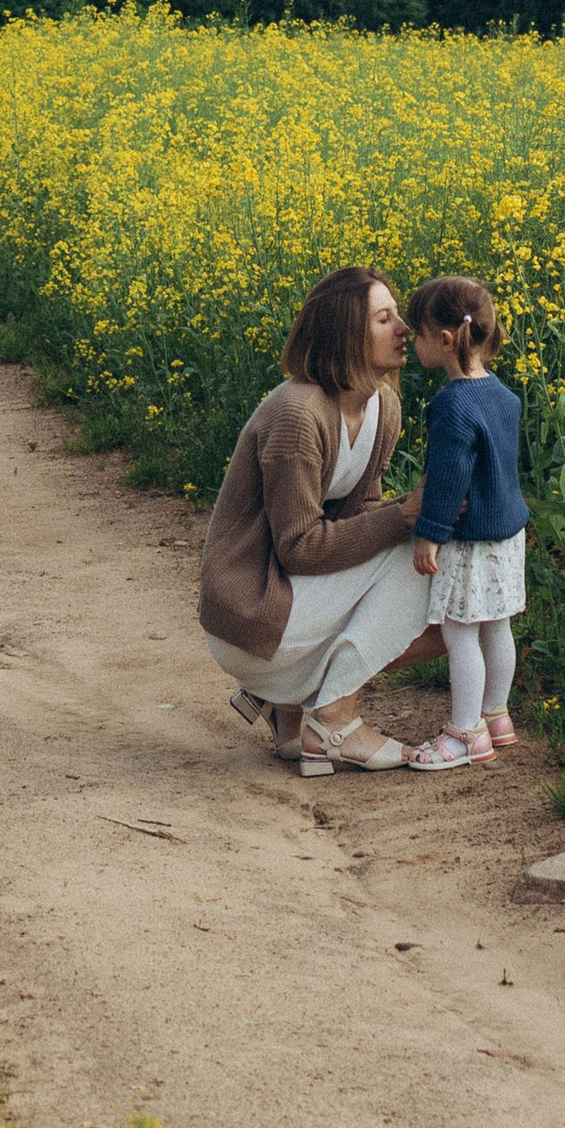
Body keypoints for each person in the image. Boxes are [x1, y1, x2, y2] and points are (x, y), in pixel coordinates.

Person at [198, 264, 431, 775]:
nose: (404, 330)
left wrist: (400, 516)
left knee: (434, 566)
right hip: (248, 614)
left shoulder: (382, 406)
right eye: (384, 319)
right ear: (346, 333)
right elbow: (299, 548)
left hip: (288, 600)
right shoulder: (298, 414)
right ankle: (334, 720)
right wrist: (404, 515)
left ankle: (291, 710)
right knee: (422, 560)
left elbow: (357, 517)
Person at [398, 274, 527, 773]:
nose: (413, 341)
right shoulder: (503, 395)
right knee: (497, 625)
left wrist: (430, 533)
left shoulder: (450, 405)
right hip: (508, 535)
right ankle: (497, 716)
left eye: (419, 333)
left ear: (445, 340)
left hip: (470, 542)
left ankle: (465, 733)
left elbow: (448, 481)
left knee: (459, 634)